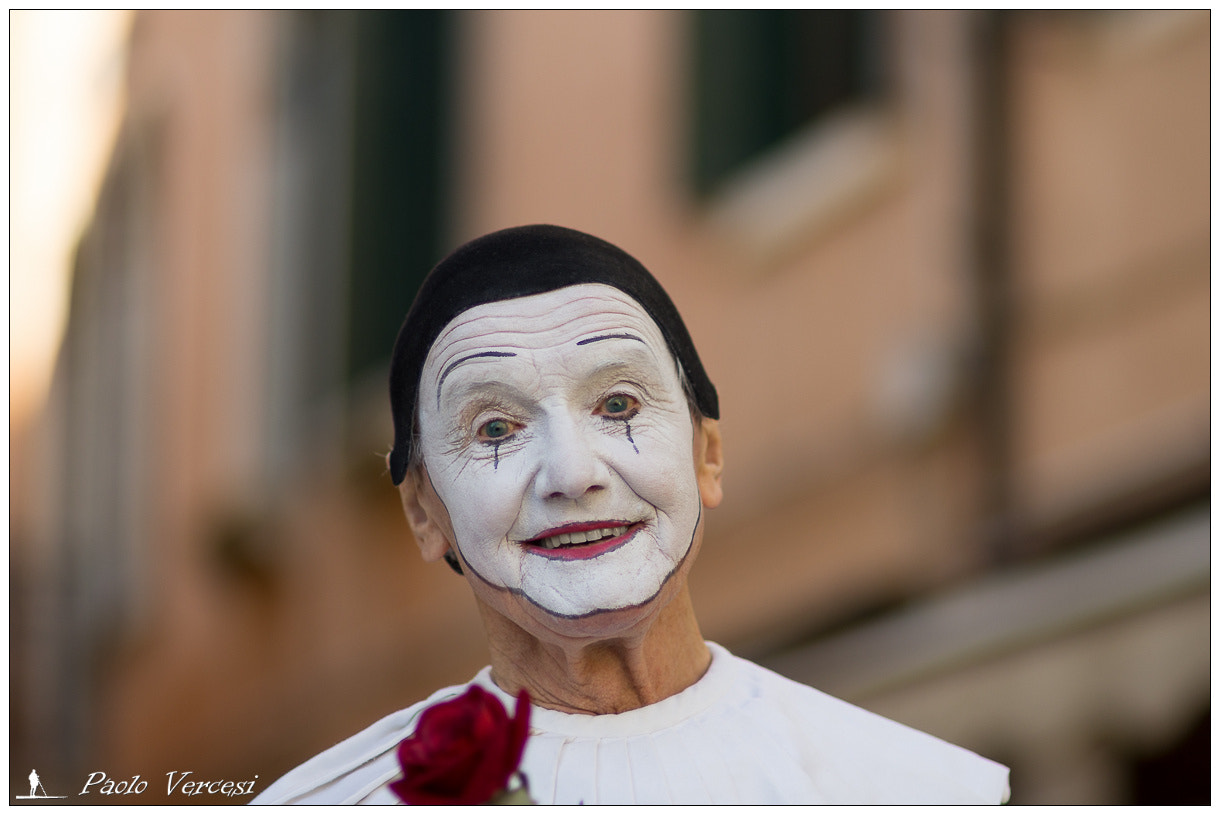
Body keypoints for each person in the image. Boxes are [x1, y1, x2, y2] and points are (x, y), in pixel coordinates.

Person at [252, 225, 1010, 804]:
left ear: (707, 453)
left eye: (617, 404)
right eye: (495, 429)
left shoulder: (915, 791)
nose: (573, 474)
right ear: (424, 512)